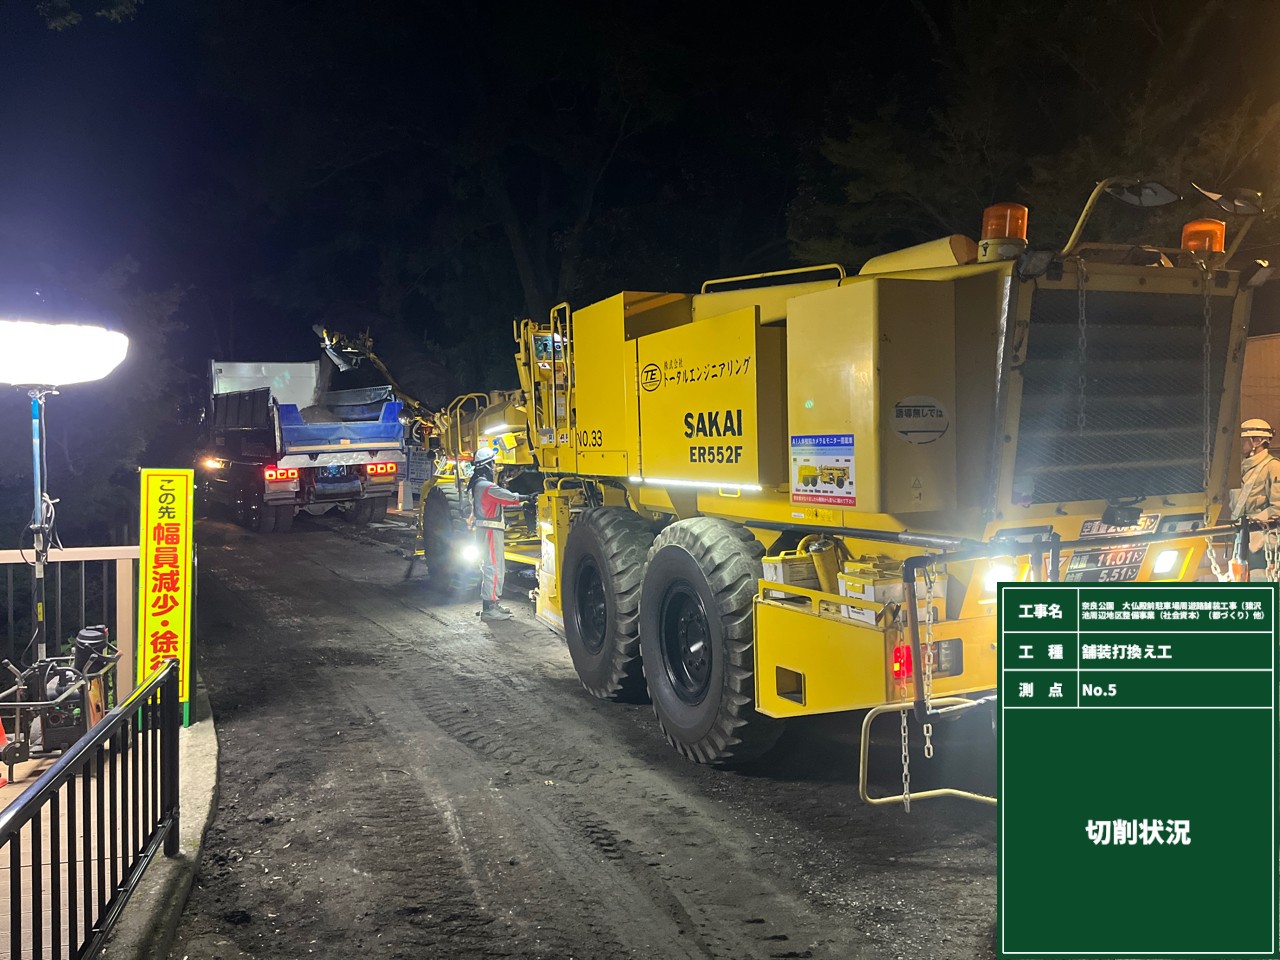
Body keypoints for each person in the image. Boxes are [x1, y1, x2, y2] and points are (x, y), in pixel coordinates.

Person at [467, 446, 529, 620]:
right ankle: (489, 609)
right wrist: (527, 498)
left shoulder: (477, 484)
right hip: (490, 531)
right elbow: (508, 497)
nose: (495, 468)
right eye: (493, 464)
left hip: (487, 530)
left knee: (492, 566)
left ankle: (493, 604)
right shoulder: (486, 486)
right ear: (487, 465)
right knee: (493, 567)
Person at [1233, 418, 1280, 581]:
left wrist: (1270, 539)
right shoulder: (1242, 468)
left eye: (1244, 440)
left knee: (1260, 580)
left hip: (1263, 542)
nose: (1240, 445)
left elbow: (1278, 507)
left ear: (1257, 441)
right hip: (1243, 536)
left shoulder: (1273, 467)